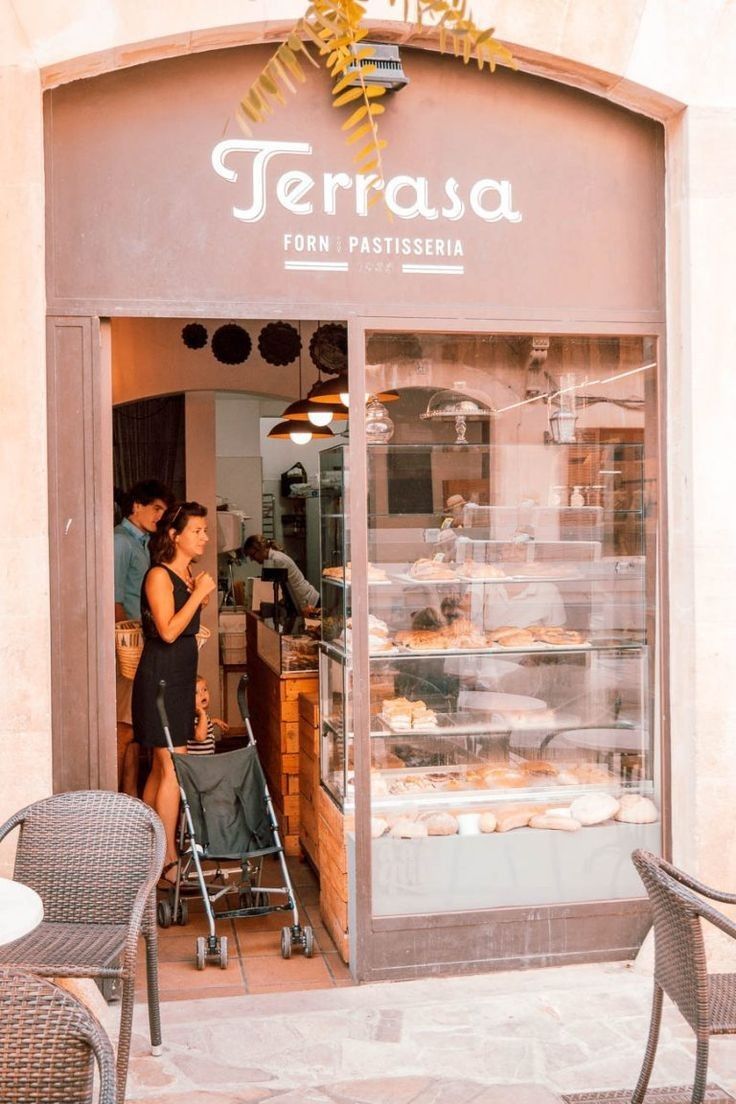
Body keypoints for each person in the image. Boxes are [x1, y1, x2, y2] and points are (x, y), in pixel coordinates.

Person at [132, 502, 216, 883]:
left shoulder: (187, 575)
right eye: (197, 531)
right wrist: (199, 596)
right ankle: (167, 861)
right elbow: (165, 631)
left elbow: (181, 631)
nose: (205, 537)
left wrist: (196, 617)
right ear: (174, 535)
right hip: (160, 680)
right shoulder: (159, 576)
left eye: (204, 530)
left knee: (160, 770)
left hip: (181, 677)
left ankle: (144, 852)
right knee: (173, 769)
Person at [114, 479, 173, 797]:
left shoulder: (140, 542)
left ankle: (130, 797)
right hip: (127, 647)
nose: (160, 516)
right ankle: (112, 802)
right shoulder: (121, 541)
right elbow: (114, 601)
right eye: (156, 508)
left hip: (138, 644)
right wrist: (125, 644)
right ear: (136, 506)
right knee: (123, 728)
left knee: (133, 728)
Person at [243, 534, 319, 611]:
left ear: (260, 548)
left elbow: (277, 590)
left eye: (252, 555)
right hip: (304, 601)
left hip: (309, 602)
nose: (252, 559)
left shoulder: (277, 560)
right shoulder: (273, 558)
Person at [187, 675, 229, 756]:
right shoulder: (190, 718)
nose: (202, 694)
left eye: (205, 690)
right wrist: (202, 713)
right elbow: (200, 736)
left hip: (205, 759)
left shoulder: (200, 716)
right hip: (197, 761)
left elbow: (203, 725)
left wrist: (215, 721)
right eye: (196, 693)